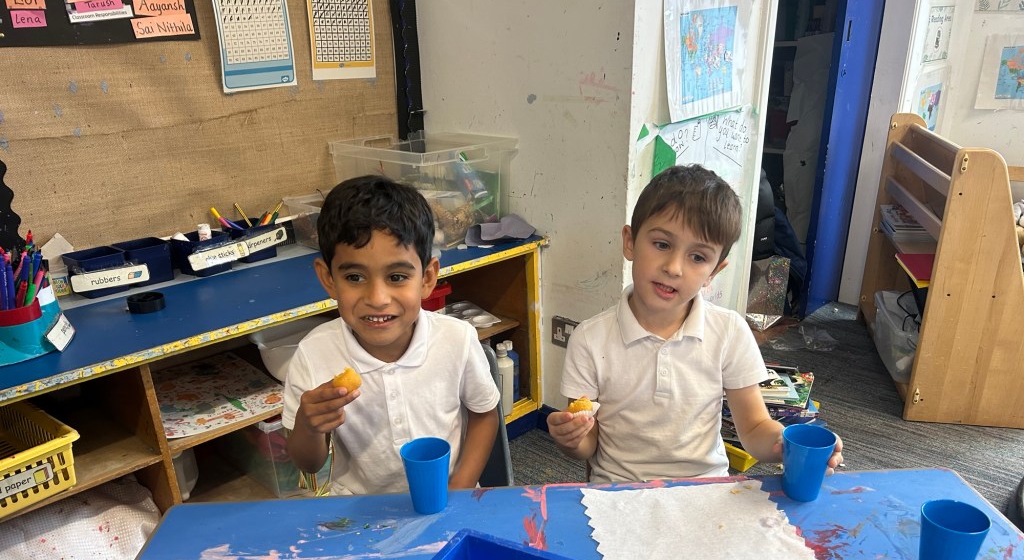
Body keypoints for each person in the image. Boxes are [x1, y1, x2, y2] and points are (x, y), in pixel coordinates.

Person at [547, 164, 843, 482]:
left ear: (714, 272)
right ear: (630, 242)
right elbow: (588, 445)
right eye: (662, 244)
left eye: (698, 257)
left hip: (704, 488)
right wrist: (571, 439)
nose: (674, 267)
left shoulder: (729, 332)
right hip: (620, 490)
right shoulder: (589, 339)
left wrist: (784, 445)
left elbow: (755, 427)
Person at [282, 175, 499, 495]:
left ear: (427, 278)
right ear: (328, 279)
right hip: (360, 507)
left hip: (447, 494)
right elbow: (308, 464)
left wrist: (459, 488)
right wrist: (308, 424)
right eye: (354, 277)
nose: (378, 298)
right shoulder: (314, 355)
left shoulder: (458, 339)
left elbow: (484, 415)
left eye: (397, 277)